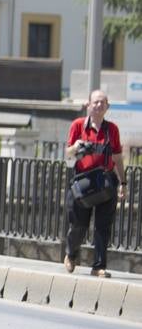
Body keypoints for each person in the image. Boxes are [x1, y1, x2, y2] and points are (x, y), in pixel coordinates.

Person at [64, 89, 127, 277]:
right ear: (88, 105)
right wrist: (76, 147)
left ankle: (99, 266)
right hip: (82, 184)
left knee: (103, 226)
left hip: (106, 183)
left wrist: (123, 182)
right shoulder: (78, 125)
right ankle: (71, 254)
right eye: (95, 102)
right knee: (78, 225)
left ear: (107, 106)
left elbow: (117, 156)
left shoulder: (112, 129)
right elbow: (67, 153)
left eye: (102, 102)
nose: (99, 105)